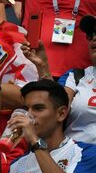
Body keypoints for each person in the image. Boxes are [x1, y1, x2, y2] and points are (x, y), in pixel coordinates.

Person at [6, 80, 96, 173]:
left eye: (38, 108)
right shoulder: (16, 166)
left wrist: (35, 140)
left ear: (61, 114)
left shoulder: (86, 152)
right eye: (25, 109)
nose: (28, 115)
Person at [26, 14, 96, 144]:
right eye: (90, 35)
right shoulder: (75, 76)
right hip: (76, 157)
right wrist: (43, 66)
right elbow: (54, 109)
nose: (94, 38)